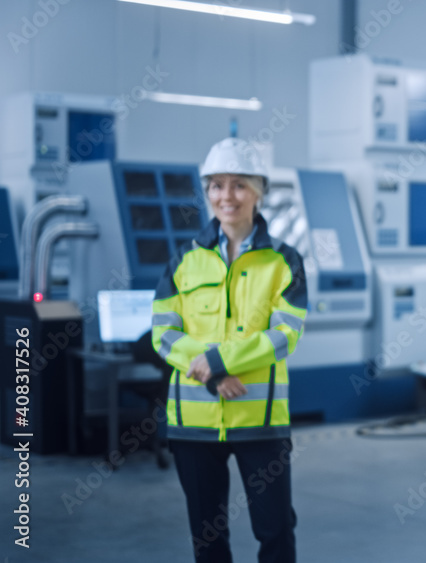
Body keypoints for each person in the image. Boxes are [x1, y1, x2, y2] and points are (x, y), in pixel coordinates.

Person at [152, 137, 307, 563]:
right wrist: (212, 374)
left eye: (239, 185)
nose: (227, 196)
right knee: (207, 538)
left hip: (260, 422)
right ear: (207, 195)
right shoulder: (183, 261)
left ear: (259, 192)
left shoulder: (284, 261)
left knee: (275, 531)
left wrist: (219, 360)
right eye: (217, 186)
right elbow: (163, 333)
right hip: (194, 423)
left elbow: (284, 334)